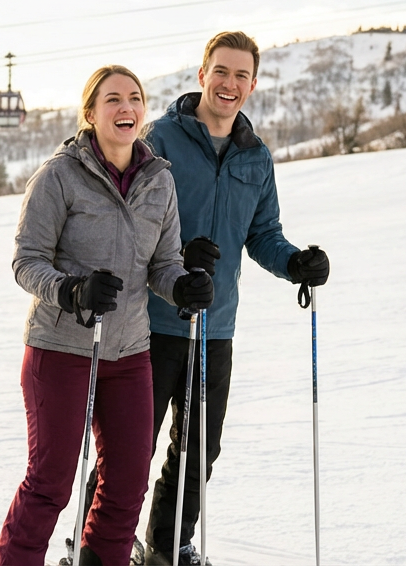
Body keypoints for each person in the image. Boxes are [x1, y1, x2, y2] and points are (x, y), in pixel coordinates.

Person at [0, 65, 213, 566]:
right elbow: (26, 261)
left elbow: (164, 262)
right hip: (61, 347)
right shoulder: (58, 176)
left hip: (130, 351)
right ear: (90, 113)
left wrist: (183, 285)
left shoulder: (159, 180)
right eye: (113, 99)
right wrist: (70, 291)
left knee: (128, 483)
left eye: (135, 98)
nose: (127, 108)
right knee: (50, 482)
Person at [129, 32, 329, 565]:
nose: (230, 84)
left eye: (242, 75)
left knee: (198, 449)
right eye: (222, 71)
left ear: (253, 85)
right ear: (202, 75)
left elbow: (263, 232)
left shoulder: (255, 156)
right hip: (149, 325)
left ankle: (170, 545)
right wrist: (174, 251)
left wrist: (294, 263)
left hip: (215, 328)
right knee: (133, 446)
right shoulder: (161, 141)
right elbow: (132, 223)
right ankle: (105, 539)